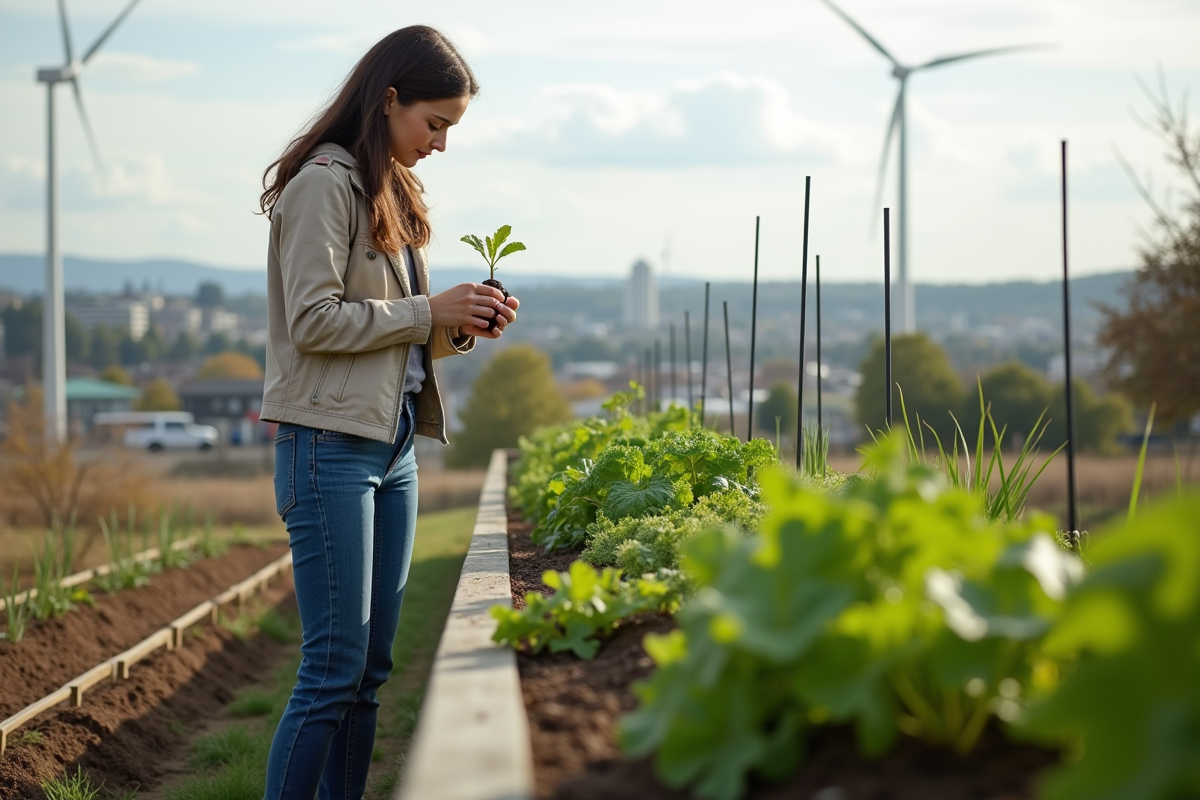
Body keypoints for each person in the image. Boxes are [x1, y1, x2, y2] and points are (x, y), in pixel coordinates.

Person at [256, 25, 517, 799]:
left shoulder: (390, 190)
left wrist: (459, 324)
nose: (439, 145)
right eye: (434, 124)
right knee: (332, 668)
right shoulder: (321, 186)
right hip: (327, 450)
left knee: (369, 672)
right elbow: (314, 323)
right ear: (390, 99)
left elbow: (393, 338)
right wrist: (423, 308)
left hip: (392, 448)